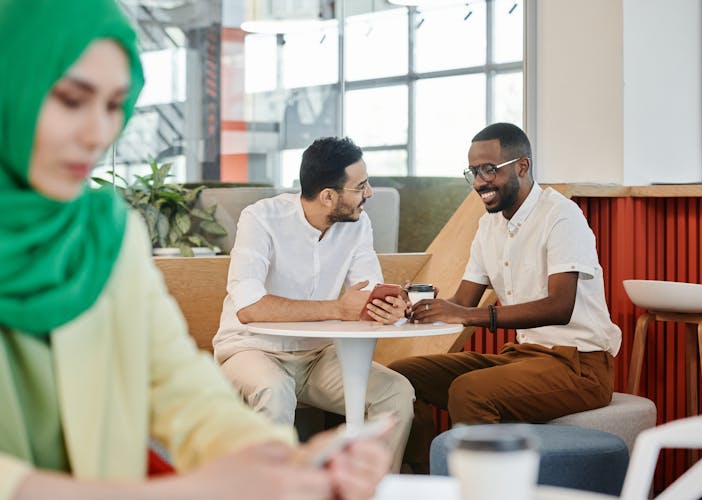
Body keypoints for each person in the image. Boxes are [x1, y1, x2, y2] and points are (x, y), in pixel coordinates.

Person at [0, 1, 389, 498]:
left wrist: (284, 463)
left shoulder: (104, 234)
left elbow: (178, 386)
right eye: (72, 99)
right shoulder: (257, 220)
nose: (97, 133)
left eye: (115, 104)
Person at [389, 122, 622, 471]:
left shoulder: (561, 216)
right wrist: (416, 308)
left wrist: (470, 316)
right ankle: (426, 482)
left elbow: (560, 307)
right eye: (474, 172)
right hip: (522, 357)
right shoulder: (489, 226)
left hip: (580, 365)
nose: (480, 181)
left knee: (469, 391)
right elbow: (463, 303)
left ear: (522, 167)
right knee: (402, 377)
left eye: (489, 170)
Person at [212, 136, 415, 472]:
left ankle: (368, 491)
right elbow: (249, 307)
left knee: (395, 395)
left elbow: (366, 295)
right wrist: (337, 309)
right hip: (251, 350)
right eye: (361, 186)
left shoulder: (358, 224)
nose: (370, 194)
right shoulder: (260, 218)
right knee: (275, 391)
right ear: (328, 197)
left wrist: (388, 309)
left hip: (318, 357)